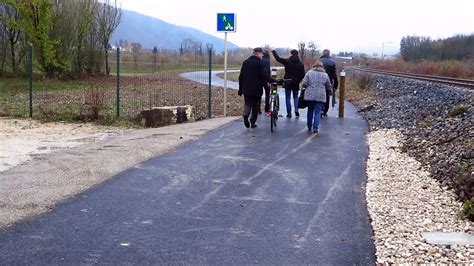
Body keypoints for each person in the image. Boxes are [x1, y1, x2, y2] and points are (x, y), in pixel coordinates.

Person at [238, 47, 275, 129]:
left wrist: (240, 89)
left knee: (247, 103)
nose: (262, 55)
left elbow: (241, 77)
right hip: (257, 89)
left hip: (246, 88)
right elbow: (265, 76)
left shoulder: (245, 62)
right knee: (255, 105)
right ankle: (252, 122)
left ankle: (245, 115)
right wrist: (273, 80)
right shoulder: (260, 63)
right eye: (261, 54)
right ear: (258, 54)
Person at [270, 48, 305, 118]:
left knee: (288, 98)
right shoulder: (300, 64)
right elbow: (303, 74)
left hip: (287, 82)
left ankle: (289, 113)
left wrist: (273, 51)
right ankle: (296, 110)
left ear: (291, 54)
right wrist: (298, 80)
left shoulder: (287, 61)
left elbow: (278, 58)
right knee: (295, 97)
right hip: (296, 83)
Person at [301, 60, 332, 134]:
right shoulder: (325, 75)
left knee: (310, 110)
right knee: (318, 112)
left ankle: (309, 126)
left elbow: (304, 83)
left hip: (310, 95)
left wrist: (304, 87)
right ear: (322, 67)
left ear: (314, 66)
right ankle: (315, 127)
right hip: (320, 96)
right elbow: (328, 86)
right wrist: (330, 93)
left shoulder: (309, 72)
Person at [320, 49, 339, 117]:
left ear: (323, 53)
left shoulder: (319, 61)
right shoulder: (332, 62)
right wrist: (336, 84)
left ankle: (320, 108)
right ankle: (325, 110)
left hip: (319, 81)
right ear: (329, 54)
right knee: (327, 96)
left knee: (320, 95)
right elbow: (334, 75)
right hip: (328, 81)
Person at [262, 50, 271, 114]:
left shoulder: (260, 59)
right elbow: (268, 71)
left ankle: (258, 109)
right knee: (267, 94)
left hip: (260, 79)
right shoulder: (268, 61)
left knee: (259, 94)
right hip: (266, 79)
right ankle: (266, 109)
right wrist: (269, 80)